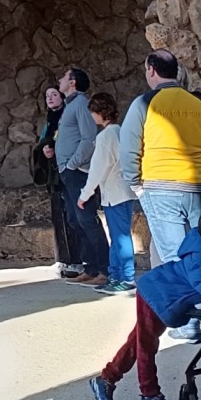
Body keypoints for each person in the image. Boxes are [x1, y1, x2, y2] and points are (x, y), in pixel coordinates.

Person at [89, 208, 201, 400]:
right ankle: (149, 396)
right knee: (146, 344)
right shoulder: (200, 258)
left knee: (138, 340)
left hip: (164, 294)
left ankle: (107, 378)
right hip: (157, 292)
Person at [120, 48, 201, 269]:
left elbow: (129, 149)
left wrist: (136, 185)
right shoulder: (199, 104)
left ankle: (186, 299)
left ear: (151, 70)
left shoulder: (144, 103)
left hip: (160, 186)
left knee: (173, 254)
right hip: (199, 184)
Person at [80, 92, 136, 293]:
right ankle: (117, 275)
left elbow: (98, 169)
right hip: (125, 191)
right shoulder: (121, 131)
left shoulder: (105, 137)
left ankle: (126, 277)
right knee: (119, 235)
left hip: (114, 193)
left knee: (120, 236)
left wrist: (85, 194)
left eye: (94, 113)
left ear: (99, 113)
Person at [54, 66, 105, 285]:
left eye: (64, 77)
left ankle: (104, 269)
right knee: (76, 222)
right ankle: (90, 268)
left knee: (87, 221)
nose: (60, 79)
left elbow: (89, 138)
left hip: (76, 173)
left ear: (73, 82)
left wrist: (72, 164)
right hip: (69, 173)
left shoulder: (81, 104)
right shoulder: (71, 106)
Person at [32, 84, 70, 270]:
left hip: (67, 173)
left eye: (54, 94)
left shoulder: (67, 118)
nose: (50, 98)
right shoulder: (49, 122)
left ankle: (76, 260)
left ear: (62, 97)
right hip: (53, 177)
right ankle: (62, 258)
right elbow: (41, 143)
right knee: (58, 216)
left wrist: (54, 148)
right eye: (47, 95)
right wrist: (45, 148)